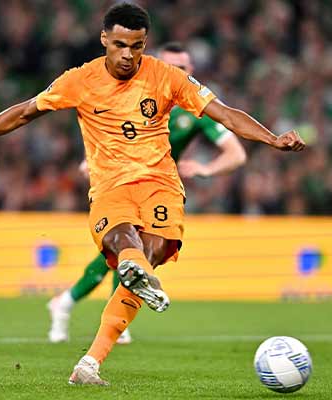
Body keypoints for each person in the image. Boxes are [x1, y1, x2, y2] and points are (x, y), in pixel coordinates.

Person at [0, 3, 304, 385]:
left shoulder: (168, 77)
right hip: (110, 186)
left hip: (160, 184)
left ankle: (90, 360)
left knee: (150, 256)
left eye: (137, 46)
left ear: (145, 43)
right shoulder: (80, 80)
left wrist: (272, 138)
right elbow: (26, 111)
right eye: (120, 45)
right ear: (104, 39)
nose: (128, 54)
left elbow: (224, 113)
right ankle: (107, 323)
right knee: (126, 244)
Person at [47, 41, 247, 344]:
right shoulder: (134, 93)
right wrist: (91, 160)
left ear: (191, 71)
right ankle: (90, 310)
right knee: (127, 250)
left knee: (128, 253)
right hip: (119, 182)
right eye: (170, 66)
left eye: (182, 68)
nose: (176, 72)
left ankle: (69, 303)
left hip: (157, 189)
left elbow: (236, 154)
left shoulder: (195, 110)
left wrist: (207, 169)